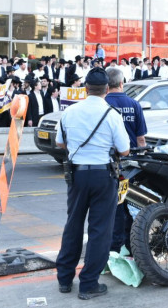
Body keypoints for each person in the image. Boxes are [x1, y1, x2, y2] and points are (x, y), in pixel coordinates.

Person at [55, 67, 130, 300]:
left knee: (73, 225)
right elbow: (125, 150)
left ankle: (65, 279)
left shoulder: (69, 112)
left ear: (85, 89)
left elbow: (60, 143)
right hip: (103, 176)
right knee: (100, 231)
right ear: (107, 89)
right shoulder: (112, 114)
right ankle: (88, 283)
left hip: (76, 175)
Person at [104, 67, 147, 254]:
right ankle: (129, 245)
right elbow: (141, 140)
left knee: (111, 207)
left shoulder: (102, 104)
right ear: (122, 84)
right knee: (130, 205)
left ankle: (113, 246)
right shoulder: (134, 104)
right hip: (129, 165)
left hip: (106, 164)